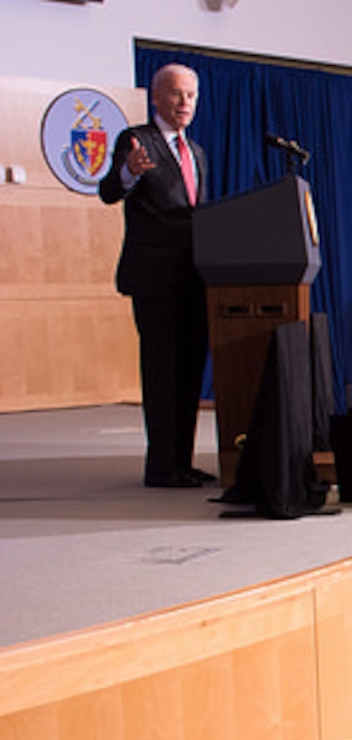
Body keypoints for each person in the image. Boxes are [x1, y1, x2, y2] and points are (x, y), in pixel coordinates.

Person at [98, 62, 212, 488]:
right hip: (155, 278)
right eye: (177, 94)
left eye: (191, 96)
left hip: (195, 278)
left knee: (188, 375)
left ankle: (181, 460)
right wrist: (130, 171)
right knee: (162, 374)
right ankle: (161, 465)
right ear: (157, 97)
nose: (185, 103)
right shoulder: (135, 140)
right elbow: (110, 191)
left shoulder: (196, 151)